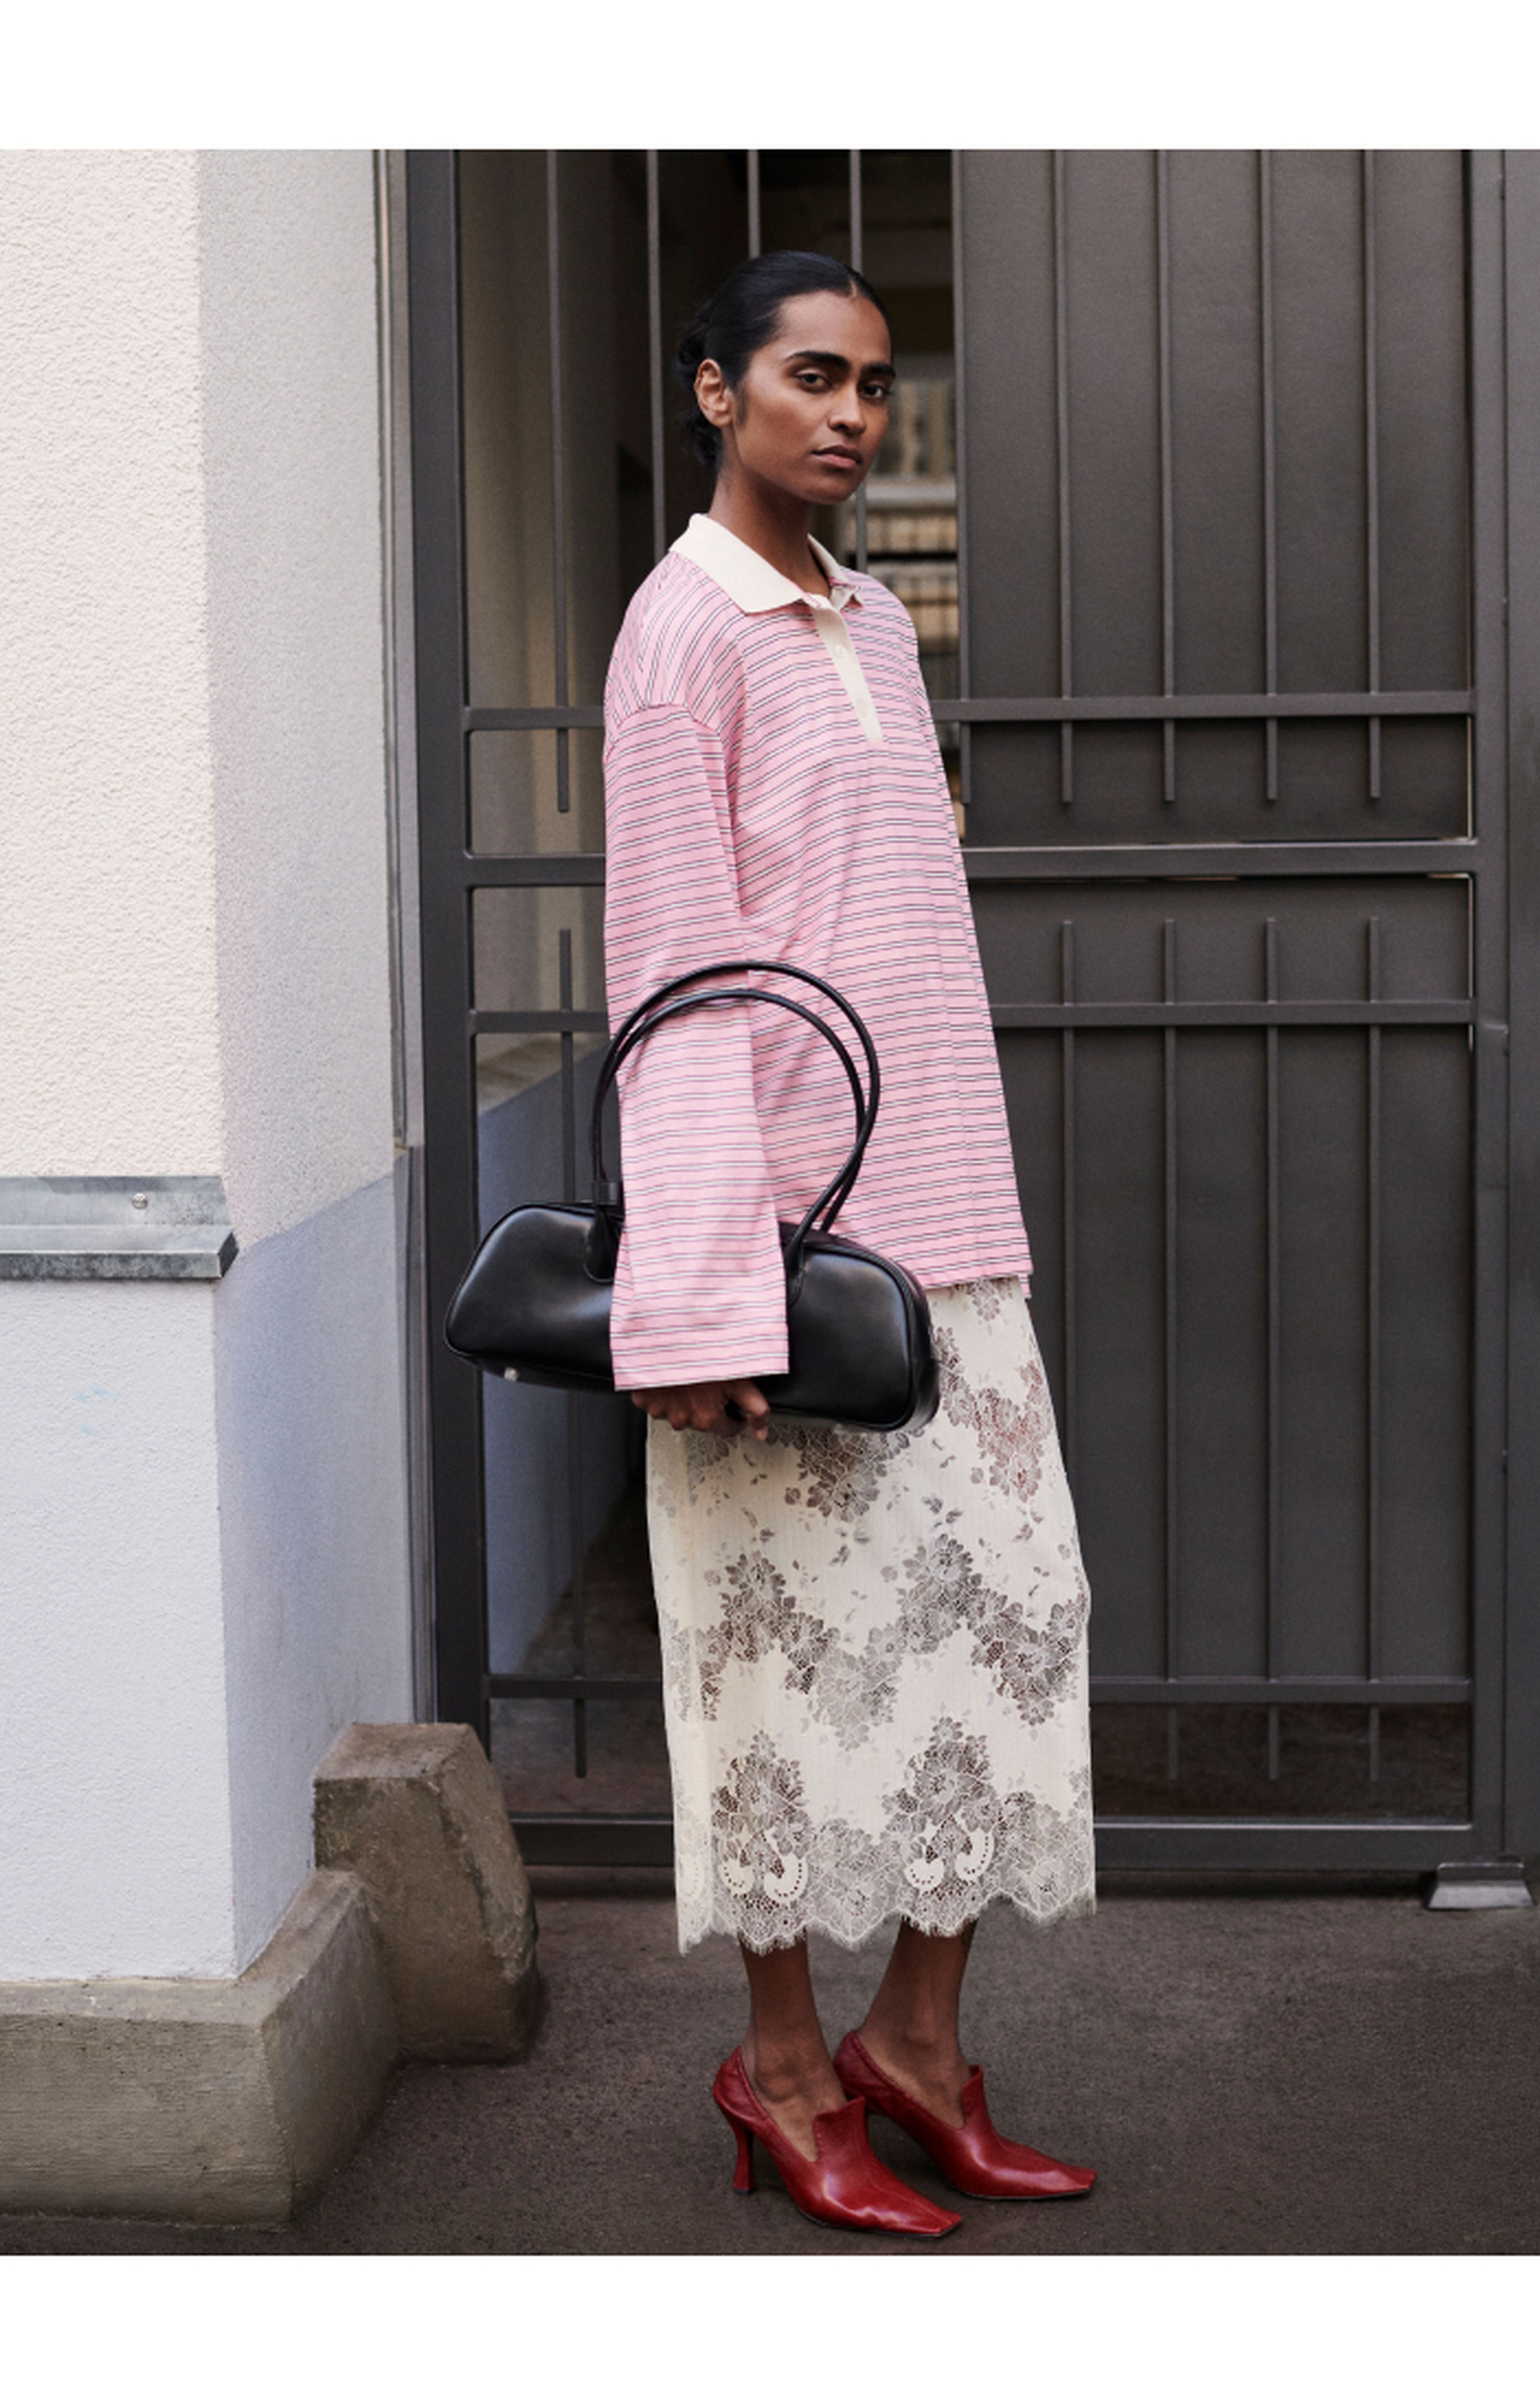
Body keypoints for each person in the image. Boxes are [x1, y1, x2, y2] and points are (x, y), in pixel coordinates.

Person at [605, 251, 1100, 2231]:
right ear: (717, 392)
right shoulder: (680, 636)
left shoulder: (879, 622)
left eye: (876, 388)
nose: (853, 417)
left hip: (950, 1220)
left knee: (1008, 1621)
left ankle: (914, 2044)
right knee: (783, 1676)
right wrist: (709, 1288)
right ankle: (785, 2068)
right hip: (782, 1258)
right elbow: (677, 973)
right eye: (812, 378)